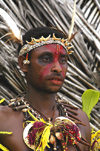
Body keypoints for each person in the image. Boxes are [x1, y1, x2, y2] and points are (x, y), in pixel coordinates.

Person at [0, 27, 91, 151]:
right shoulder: (3, 119)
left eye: (63, 60)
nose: (57, 68)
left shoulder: (80, 120)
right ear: (23, 64)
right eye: (46, 59)